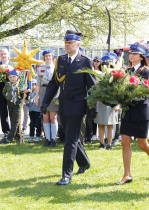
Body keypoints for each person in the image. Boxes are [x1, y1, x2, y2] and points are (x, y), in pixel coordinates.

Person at [41, 30, 96, 185]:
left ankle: (66, 175)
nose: (67, 45)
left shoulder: (85, 61)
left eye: (70, 42)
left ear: (78, 44)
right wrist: (45, 101)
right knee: (70, 136)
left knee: (69, 140)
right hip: (64, 104)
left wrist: (93, 107)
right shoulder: (61, 60)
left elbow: (92, 86)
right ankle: (84, 162)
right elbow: (54, 83)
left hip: (78, 105)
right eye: (66, 42)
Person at [115, 42, 149, 185]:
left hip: (141, 111)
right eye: (131, 53)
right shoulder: (126, 71)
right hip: (127, 111)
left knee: (143, 144)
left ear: (141, 57)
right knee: (125, 142)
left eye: (135, 54)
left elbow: (146, 92)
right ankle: (127, 174)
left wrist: (131, 96)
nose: (131, 55)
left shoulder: (146, 72)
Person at [35, 49, 58, 147]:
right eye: (46, 56)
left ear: (52, 57)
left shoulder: (56, 68)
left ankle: (53, 139)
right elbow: (38, 84)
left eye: (50, 55)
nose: (48, 57)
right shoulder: (40, 69)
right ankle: (47, 139)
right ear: (43, 58)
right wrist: (37, 97)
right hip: (44, 91)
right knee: (45, 117)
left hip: (53, 92)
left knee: (53, 117)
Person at [0, 70, 30, 143]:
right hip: (10, 103)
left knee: (15, 121)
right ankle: (19, 136)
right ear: (8, 78)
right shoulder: (7, 84)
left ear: (17, 77)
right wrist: (7, 97)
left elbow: (24, 93)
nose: (12, 78)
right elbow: (4, 92)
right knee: (13, 119)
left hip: (18, 103)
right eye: (10, 77)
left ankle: (10, 138)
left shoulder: (20, 84)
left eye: (14, 77)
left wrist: (24, 96)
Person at [0, 49, 11, 139]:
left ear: (8, 54)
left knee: (13, 112)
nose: (3, 55)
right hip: (1, 93)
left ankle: (15, 131)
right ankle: (6, 131)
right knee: (3, 113)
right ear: (0, 55)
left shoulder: (14, 65)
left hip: (12, 93)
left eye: (5, 54)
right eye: (1, 54)